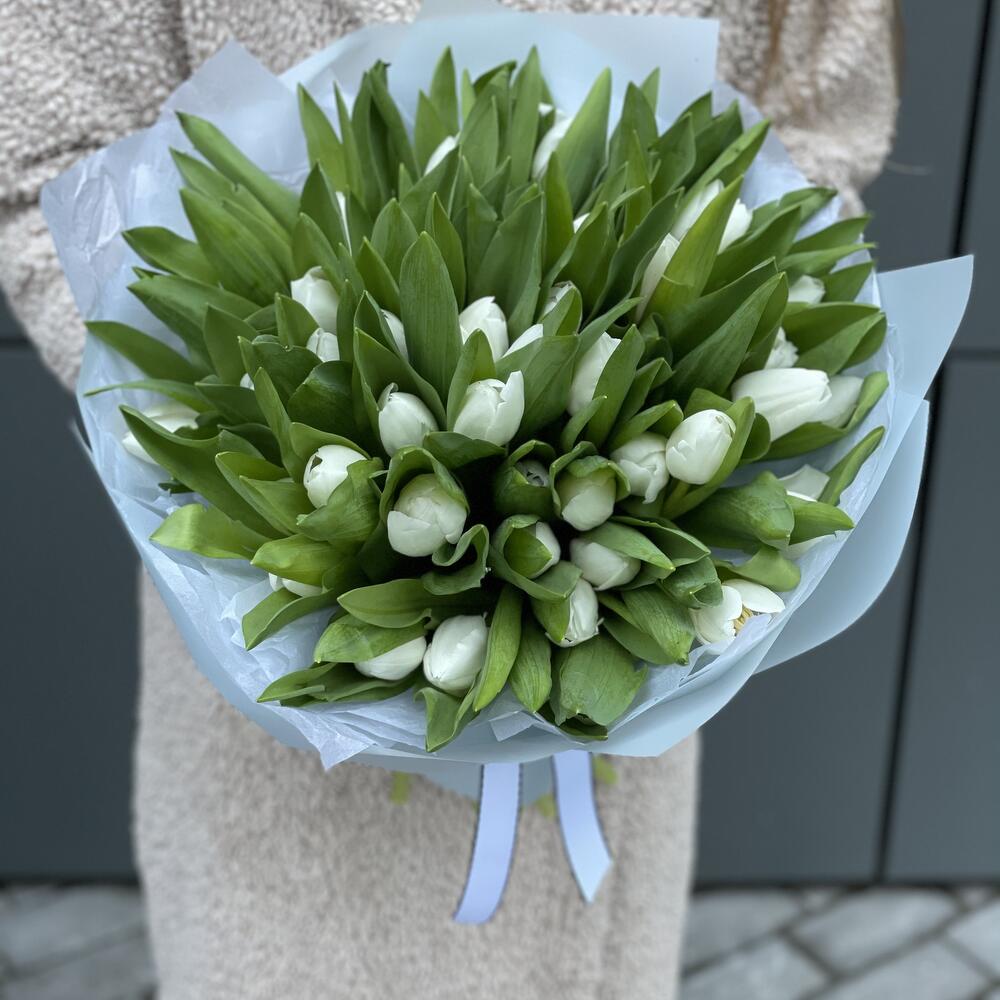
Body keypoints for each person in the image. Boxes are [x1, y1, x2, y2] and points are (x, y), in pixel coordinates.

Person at [0, 2, 898, 997]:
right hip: (265, 663)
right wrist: (224, 412)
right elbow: (48, 162)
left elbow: (813, 131)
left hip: (623, 668)